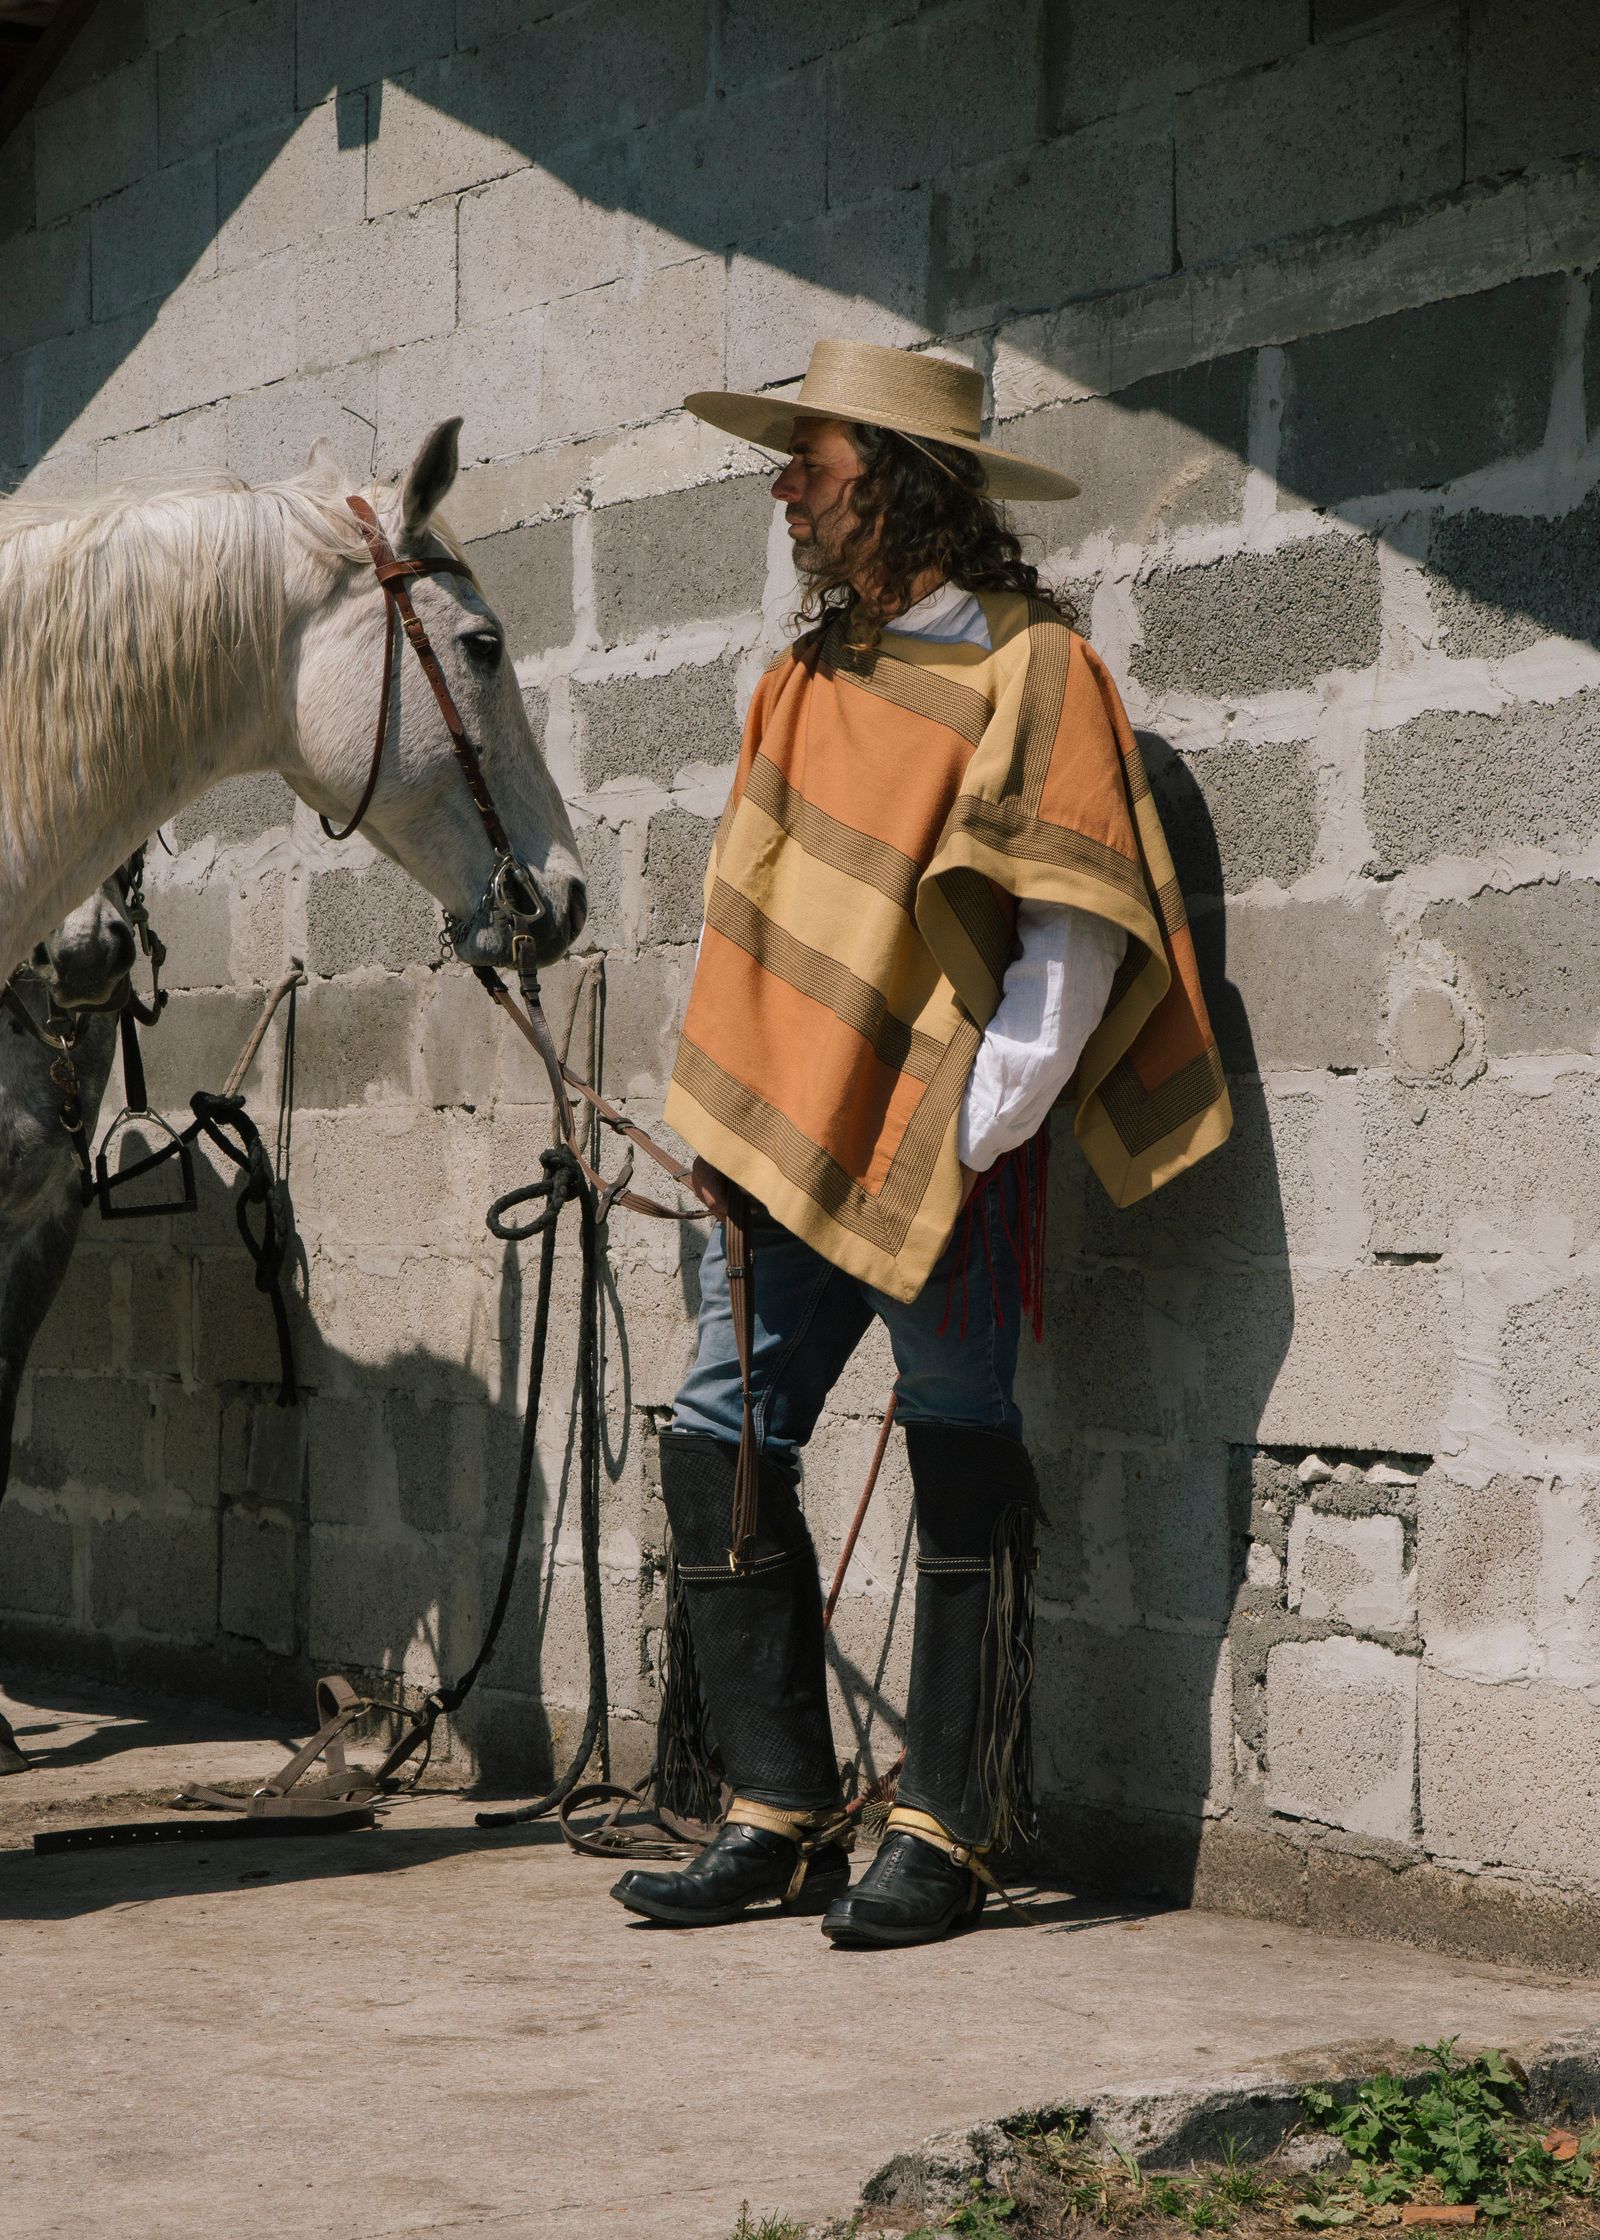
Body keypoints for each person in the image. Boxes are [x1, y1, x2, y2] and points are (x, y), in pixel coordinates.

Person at [611, 339, 1230, 1947]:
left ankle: (949, 1828)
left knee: (955, 1426)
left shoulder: (1037, 671)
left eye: (808, 468)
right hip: (771, 1143)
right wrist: (727, 1115)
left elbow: (1070, 927)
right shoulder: (802, 677)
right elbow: (755, 923)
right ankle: (775, 1806)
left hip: (932, 1146)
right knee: (718, 1430)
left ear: (896, 478)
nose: (784, 495)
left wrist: (971, 1123)